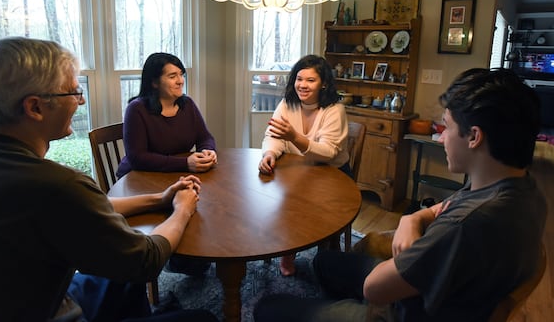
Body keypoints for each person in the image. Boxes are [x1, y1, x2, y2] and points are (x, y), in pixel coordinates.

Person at [0, 37, 217, 322]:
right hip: (53, 311)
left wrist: (160, 198)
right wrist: (182, 209)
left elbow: (89, 208)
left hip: (18, 298)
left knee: (122, 279)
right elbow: (147, 261)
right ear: (35, 107)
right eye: (72, 92)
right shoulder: (59, 185)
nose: (80, 100)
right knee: (203, 318)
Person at [253, 68, 547, 321]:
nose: (441, 137)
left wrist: (411, 249)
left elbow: (375, 289)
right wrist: (412, 220)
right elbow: (439, 209)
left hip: (403, 312)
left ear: (474, 136)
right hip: (435, 289)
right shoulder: (518, 189)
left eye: (447, 127)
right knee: (323, 263)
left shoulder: (465, 226)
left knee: (268, 307)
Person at [258, 54, 350, 276]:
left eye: (311, 80)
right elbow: (274, 135)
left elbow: (328, 153)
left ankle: (327, 253)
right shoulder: (286, 104)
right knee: (278, 200)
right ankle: (287, 250)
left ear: (324, 83)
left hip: (331, 174)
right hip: (297, 171)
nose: (303, 85)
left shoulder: (334, 110)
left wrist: (294, 136)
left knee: (317, 215)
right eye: (299, 79)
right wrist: (270, 153)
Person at [116, 52, 216, 177]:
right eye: (172, 76)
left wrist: (208, 151)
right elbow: (138, 158)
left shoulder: (187, 104)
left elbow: (205, 138)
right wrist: (185, 164)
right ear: (154, 82)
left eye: (181, 75)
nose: (180, 81)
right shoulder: (136, 109)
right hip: (138, 178)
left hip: (175, 175)